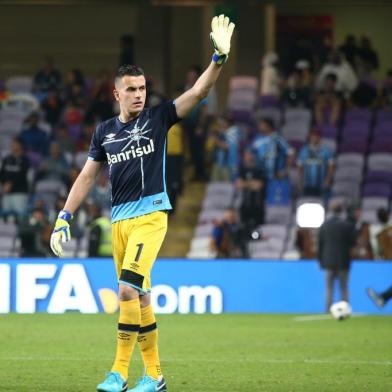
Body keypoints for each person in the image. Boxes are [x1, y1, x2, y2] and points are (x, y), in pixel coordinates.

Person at [49, 14, 235, 392]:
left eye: (143, 88)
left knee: (126, 291)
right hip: (120, 221)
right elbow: (87, 176)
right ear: (117, 93)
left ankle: (118, 372)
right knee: (142, 295)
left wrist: (217, 60)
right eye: (131, 89)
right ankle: (155, 376)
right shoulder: (104, 132)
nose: (139, 94)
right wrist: (64, 216)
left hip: (151, 215)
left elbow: (198, 93)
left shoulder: (158, 117)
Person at [318, 201, 357, 312]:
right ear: (341, 211)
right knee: (343, 288)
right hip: (343, 261)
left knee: (329, 288)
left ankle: (327, 310)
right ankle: (345, 310)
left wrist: (320, 261)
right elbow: (353, 243)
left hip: (328, 262)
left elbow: (320, 245)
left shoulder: (325, 226)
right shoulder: (347, 226)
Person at [297, 128, 334, 198]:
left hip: (321, 184)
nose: (314, 138)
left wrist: (328, 179)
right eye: (312, 136)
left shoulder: (326, 151)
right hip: (306, 184)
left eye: (317, 136)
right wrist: (300, 181)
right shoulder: (304, 151)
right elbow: (299, 166)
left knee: (321, 204)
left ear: (320, 138)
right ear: (309, 137)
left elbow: (331, 166)